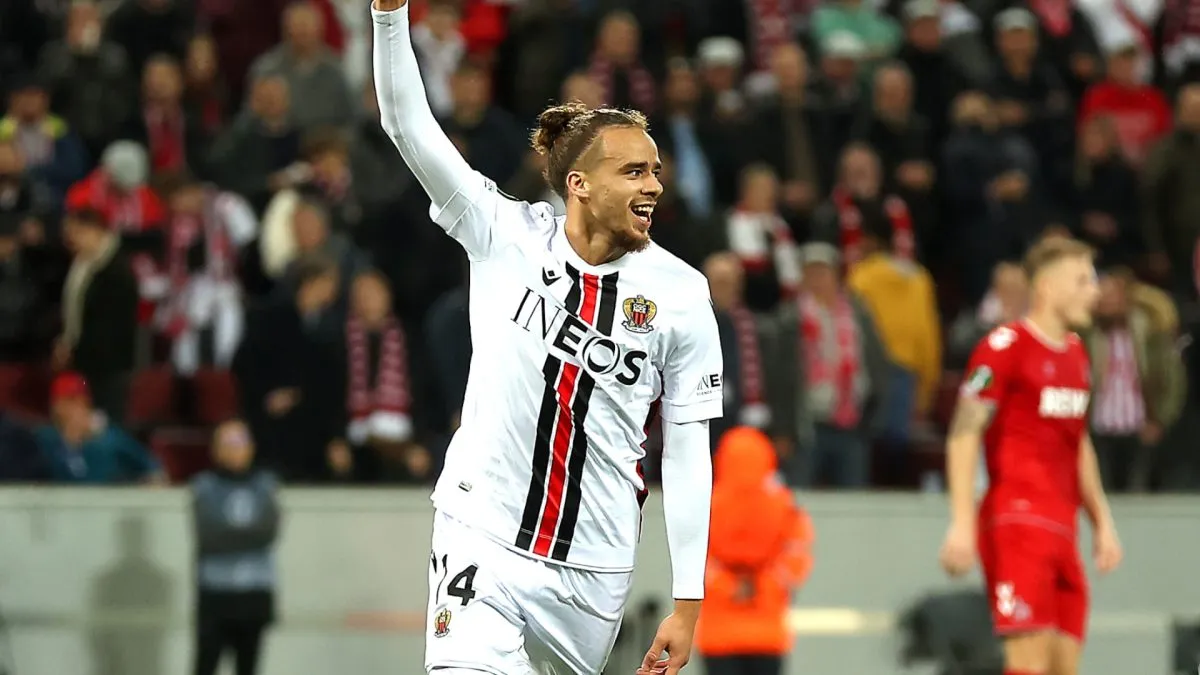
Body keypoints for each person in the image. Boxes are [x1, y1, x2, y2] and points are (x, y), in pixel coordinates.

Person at [371, 2, 724, 674]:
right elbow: (406, 125)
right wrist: (389, 17)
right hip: (483, 528)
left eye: (653, 170)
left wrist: (688, 599)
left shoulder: (682, 296)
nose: (654, 183)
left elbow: (687, 453)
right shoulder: (502, 234)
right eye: (634, 171)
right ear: (579, 184)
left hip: (594, 566)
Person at [938, 236, 1123, 675]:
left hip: (1063, 529)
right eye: (1082, 280)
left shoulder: (1077, 355)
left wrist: (1102, 522)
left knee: (1063, 667)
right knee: (1027, 665)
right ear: (1046, 288)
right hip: (1016, 522)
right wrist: (962, 523)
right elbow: (964, 433)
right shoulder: (1005, 346)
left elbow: (1076, 442)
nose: (1094, 291)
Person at [191, 419, 280, 675]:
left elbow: (268, 532)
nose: (234, 449)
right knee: (205, 664)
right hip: (215, 593)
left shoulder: (265, 484)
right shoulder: (204, 486)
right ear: (215, 450)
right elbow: (208, 536)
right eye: (227, 443)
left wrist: (230, 535)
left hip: (255, 593)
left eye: (240, 442)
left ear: (251, 447)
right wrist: (247, 537)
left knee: (248, 667)